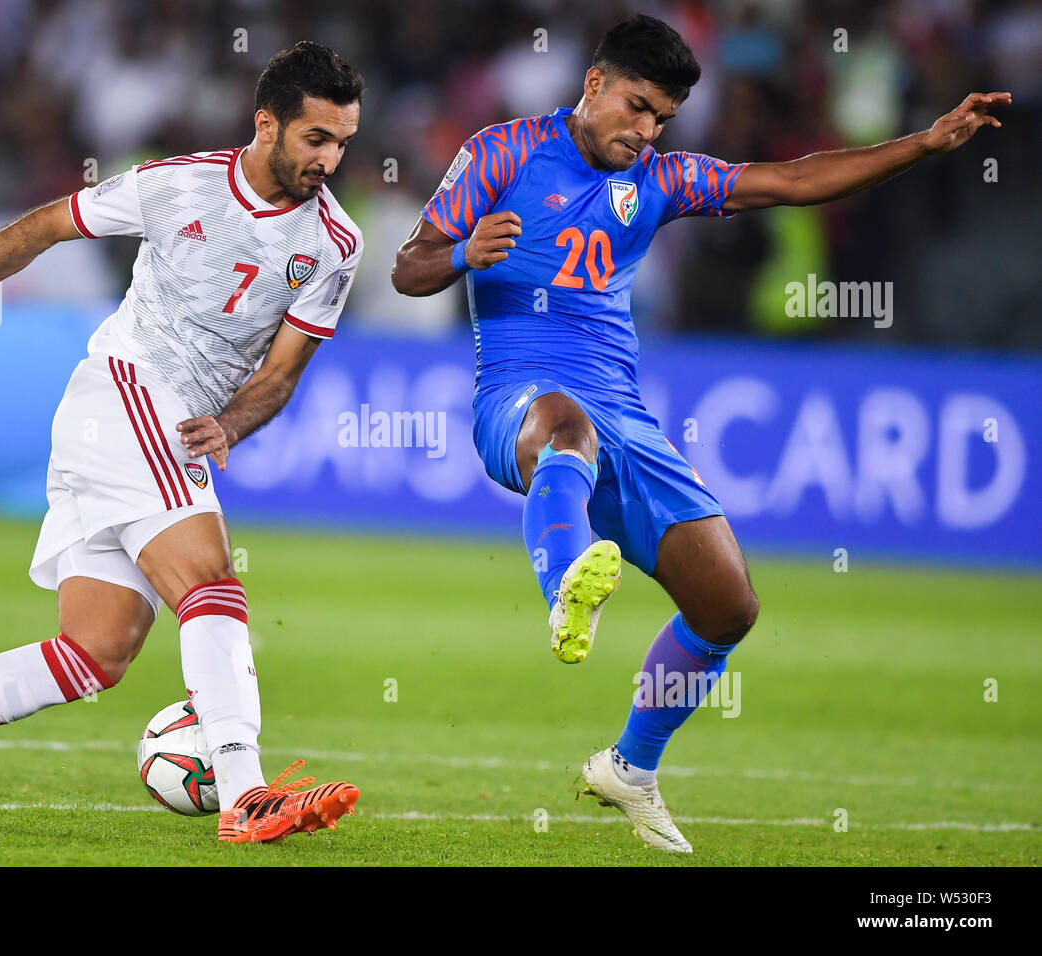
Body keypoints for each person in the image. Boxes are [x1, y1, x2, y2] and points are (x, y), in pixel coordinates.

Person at [391, 14, 1008, 852]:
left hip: (626, 417)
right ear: (595, 84)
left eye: (663, 120)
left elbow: (792, 181)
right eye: (638, 108)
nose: (646, 133)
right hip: (519, 397)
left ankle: (630, 767)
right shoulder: (501, 153)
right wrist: (466, 251)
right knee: (565, 428)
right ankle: (566, 585)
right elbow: (409, 266)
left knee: (727, 608)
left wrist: (923, 144)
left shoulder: (663, 179)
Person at [0, 41, 367, 844]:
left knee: (96, 653)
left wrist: (235, 423)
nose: (332, 159)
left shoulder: (336, 244)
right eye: (317, 139)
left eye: (344, 143)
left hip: (160, 426)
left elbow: (282, 374)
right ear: (267, 124)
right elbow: (48, 225)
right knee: (211, 581)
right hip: (126, 390)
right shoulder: (175, 185)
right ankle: (246, 794)